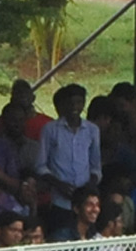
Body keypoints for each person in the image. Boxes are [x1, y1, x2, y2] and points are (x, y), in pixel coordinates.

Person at [36, 83, 102, 233]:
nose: (74, 107)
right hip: (60, 201)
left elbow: (96, 166)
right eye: (71, 102)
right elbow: (40, 165)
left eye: (79, 102)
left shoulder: (92, 130)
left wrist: (88, 188)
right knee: (61, 237)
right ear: (63, 105)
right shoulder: (50, 129)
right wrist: (59, 185)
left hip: (85, 202)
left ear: (84, 103)